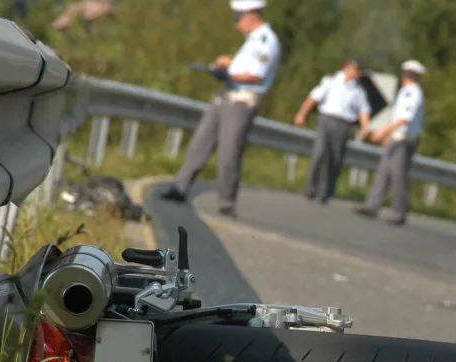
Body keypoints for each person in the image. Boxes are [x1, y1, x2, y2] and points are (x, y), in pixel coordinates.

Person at [159, 0, 281, 217]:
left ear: (252, 14)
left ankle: (227, 201)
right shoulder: (251, 41)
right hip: (225, 96)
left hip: (241, 102)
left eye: (238, 18)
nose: (236, 24)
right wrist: (228, 64)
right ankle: (180, 187)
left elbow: (256, 75)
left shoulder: (266, 40)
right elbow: (244, 68)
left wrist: (229, 74)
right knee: (199, 143)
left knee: (229, 152)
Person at [354, 59, 427, 226]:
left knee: (397, 175)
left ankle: (399, 212)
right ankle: (372, 205)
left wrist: (383, 131)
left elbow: (404, 118)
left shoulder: (412, 93)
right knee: (384, 172)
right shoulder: (405, 91)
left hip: (403, 138)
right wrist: (389, 135)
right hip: (397, 137)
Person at [293, 57, 372, 204]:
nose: (356, 72)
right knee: (319, 153)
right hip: (326, 119)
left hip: (344, 124)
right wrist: (301, 114)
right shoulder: (331, 81)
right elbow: (313, 98)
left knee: (335, 158)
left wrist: (365, 127)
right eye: (354, 69)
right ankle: (311, 187)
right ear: (346, 68)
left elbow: (363, 110)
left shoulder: (358, 91)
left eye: (358, 70)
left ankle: (326, 191)